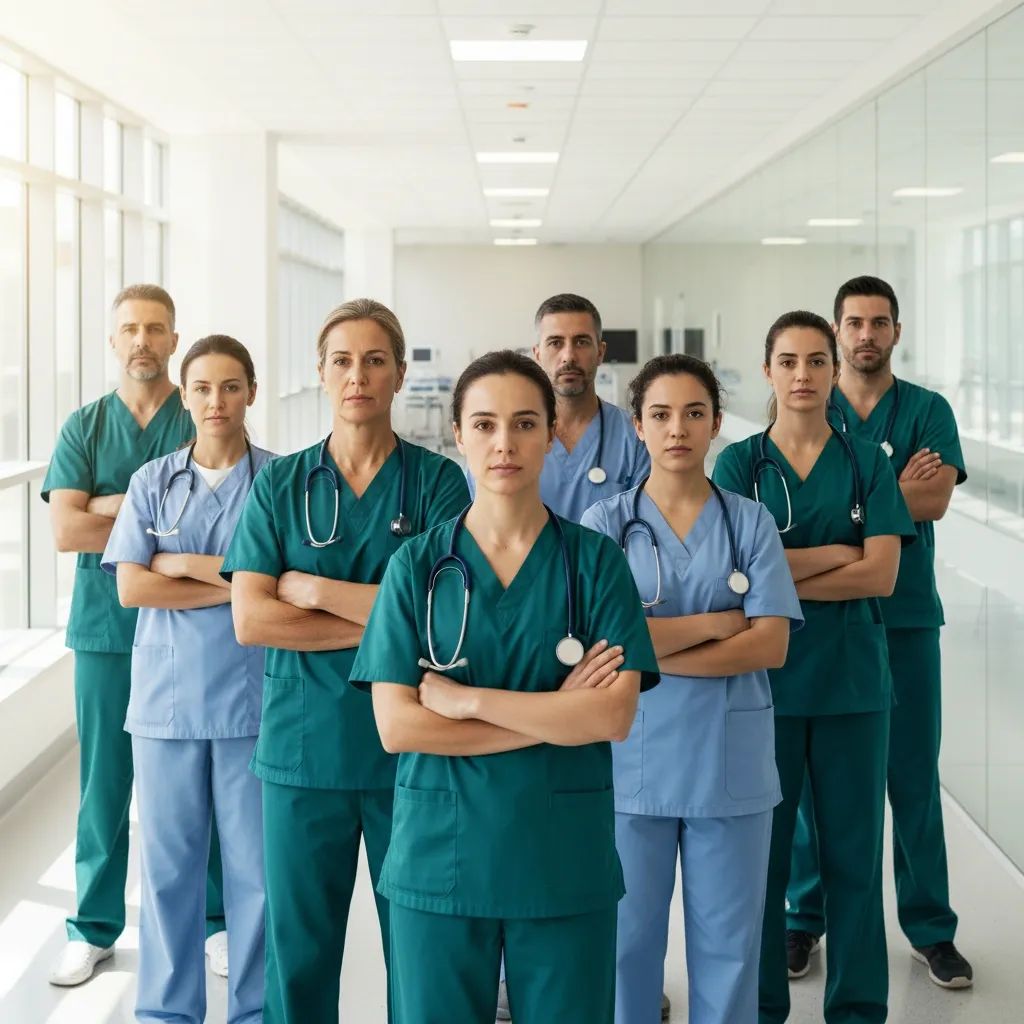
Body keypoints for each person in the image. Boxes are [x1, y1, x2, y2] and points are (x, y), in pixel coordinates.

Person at [348, 349, 660, 1024]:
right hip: (440, 865)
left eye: (523, 424)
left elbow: (611, 716)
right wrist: (554, 712)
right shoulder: (417, 567)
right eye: (484, 425)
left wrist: (467, 703)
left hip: (562, 867)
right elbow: (397, 727)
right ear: (457, 434)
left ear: (551, 433)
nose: (504, 443)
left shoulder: (595, 565)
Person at [221, 299, 469, 1024]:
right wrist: (389, 617)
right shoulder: (280, 483)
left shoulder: (439, 485)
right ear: (321, 375)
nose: (357, 375)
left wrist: (319, 591)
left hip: (412, 758)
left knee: (422, 950)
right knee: (297, 953)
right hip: (303, 759)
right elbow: (252, 618)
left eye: (374, 360)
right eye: (342, 361)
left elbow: (446, 628)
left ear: (397, 375)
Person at [581, 354, 803, 1024]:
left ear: (715, 426)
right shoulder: (603, 527)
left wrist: (647, 648)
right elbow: (601, 653)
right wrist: (715, 624)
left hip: (727, 770)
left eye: (694, 413)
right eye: (661, 414)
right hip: (631, 767)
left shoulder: (749, 523)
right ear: (638, 426)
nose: (678, 427)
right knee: (624, 944)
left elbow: (772, 643)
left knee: (730, 948)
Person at [712, 311, 916, 1024]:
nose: (803, 375)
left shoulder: (867, 462)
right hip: (761, 689)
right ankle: (762, 1009)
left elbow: (883, 576)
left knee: (855, 861)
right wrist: (843, 553)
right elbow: (733, 577)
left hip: (854, 690)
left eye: (816, 362)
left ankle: (858, 1009)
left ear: (834, 372)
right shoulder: (739, 466)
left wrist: (778, 572)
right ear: (768, 371)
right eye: (789, 361)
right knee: (758, 864)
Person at [785, 276, 972, 989]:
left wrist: (855, 501)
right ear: (836, 331)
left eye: (879, 322)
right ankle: (804, 920)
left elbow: (938, 497)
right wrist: (890, 490)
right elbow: (805, 515)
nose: (866, 334)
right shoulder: (808, 403)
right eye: (854, 322)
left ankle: (931, 927)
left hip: (904, 622)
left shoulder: (928, 409)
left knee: (913, 779)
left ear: (897, 331)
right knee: (807, 783)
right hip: (820, 627)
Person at [42, 284, 227, 987]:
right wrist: (148, 515)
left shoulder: (203, 415)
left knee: (198, 783)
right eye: (129, 329)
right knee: (105, 786)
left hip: (192, 628)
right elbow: (65, 530)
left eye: (156, 328)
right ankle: (92, 927)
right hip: (104, 630)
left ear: (175, 341)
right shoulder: (85, 427)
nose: (142, 340)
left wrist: (110, 505)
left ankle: (214, 923)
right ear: (112, 341)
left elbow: (215, 525)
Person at [101, 335, 272, 1023]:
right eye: (201, 387)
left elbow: (284, 588)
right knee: (168, 873)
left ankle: (256, 1010)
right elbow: (132, 589)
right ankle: (167, 1012)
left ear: (251, 393)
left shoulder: (280, 482)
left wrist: (178, 565)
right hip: (166, 709)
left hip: (251, 705)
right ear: (184, 394)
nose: (216, 401)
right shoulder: (152, 482)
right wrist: (237, 580)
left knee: (256, 877)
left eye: (230, 386)